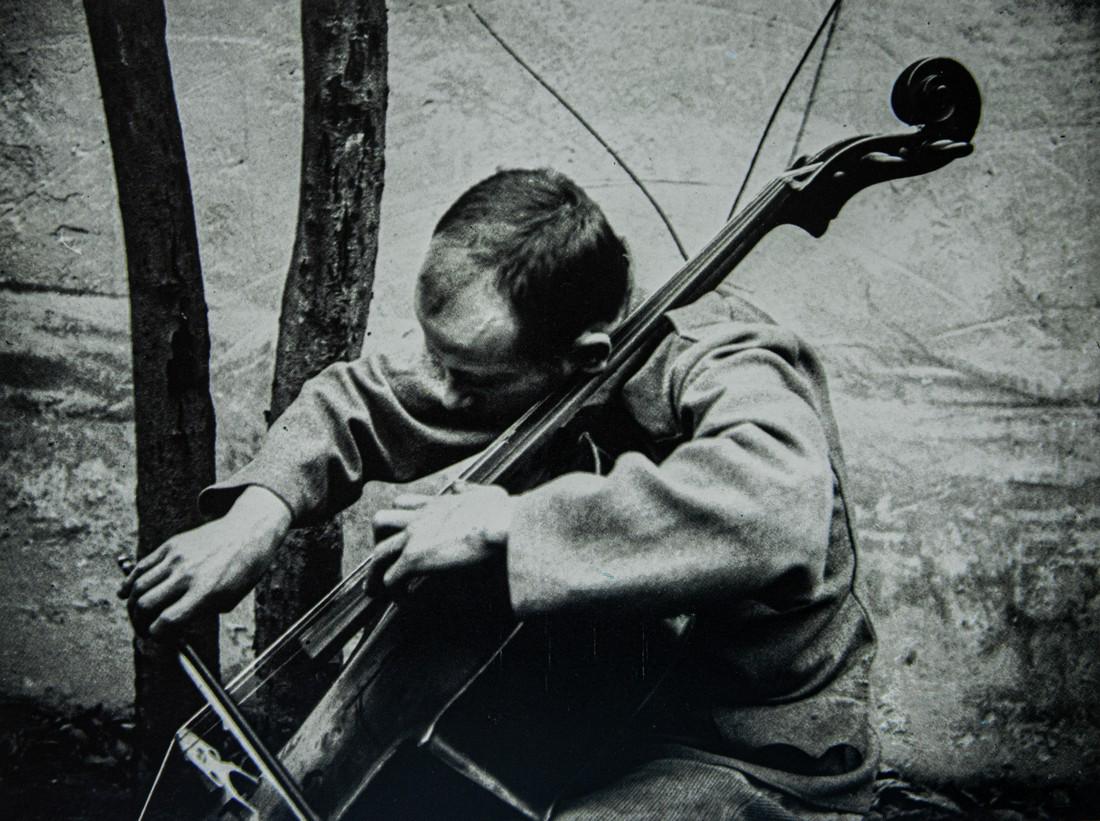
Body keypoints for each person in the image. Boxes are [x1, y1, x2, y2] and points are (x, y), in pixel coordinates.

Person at [119, 168, 878, 819]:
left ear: (585, 357)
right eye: (434, 354)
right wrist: (258, 514)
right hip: (602, 725)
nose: (439, 387)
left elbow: (777, 506)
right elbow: (361, 398)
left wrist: (506, 524)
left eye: (467, 378)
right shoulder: (520, 360)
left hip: (749, 756)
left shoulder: (733, 362)